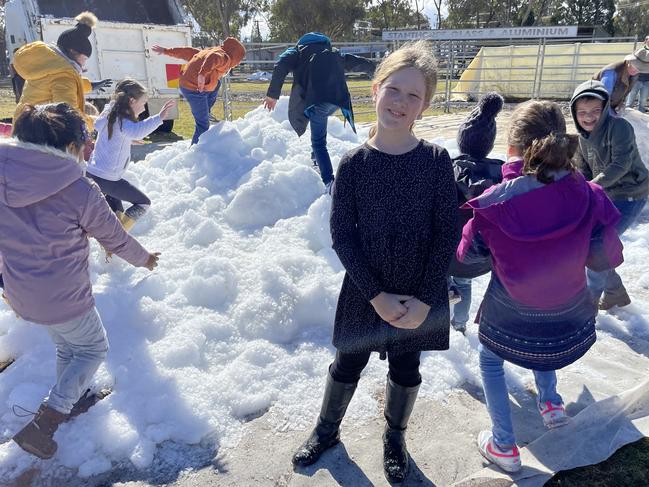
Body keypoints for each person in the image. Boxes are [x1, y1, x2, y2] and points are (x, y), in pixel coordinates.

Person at [291, 41, 458, 483]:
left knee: (407, 368)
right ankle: (327, 429)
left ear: (424, 106)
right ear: (375, 90)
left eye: (413, 96)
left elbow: (447, 232)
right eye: (394, 90)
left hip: (420, 290)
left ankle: (395, 436)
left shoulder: (438, 162)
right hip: (367, 289)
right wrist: (377, 296)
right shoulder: (353, 165)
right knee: (348, 362)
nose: (401, 103)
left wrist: (425, 298)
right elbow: (343, 236)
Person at [457, 100, 623, 473]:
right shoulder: (589, 193)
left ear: (512, 148)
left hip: (511, 321)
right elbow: (608, 254)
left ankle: (504, 445)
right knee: (543, 325)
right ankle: (551, 405)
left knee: (490, 358)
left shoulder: (493, 203)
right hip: (569, 326)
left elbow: (466, 258)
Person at [0, 103, 160, 459]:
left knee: (68, 347)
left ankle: (76, 394)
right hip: (64, 296)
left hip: (21, 292)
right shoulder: (79, 189)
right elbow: (114, 237)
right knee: (92, 348)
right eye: (83, 144)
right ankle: (49, 419)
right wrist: (144, 259)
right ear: (70, 148)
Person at [263, 33, 376, 194]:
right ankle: (315, 157)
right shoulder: (334, 53)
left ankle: (329, 182)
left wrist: (273, 94)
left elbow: (281, 65)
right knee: (314, 119)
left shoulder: (297, 51)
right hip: (338, 101)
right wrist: (381, 75)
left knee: (318, 142)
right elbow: (361, 63)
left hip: (318, 102)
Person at [570, 80, 648, 310]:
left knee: (598, 246)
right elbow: (583, 170)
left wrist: (592, 186)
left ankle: (589, 303)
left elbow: (621, 163)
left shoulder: (620, 127)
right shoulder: (581, 138)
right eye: (582, 112)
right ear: (575, 113)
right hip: (605, 193)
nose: (589, 117)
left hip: (630, 193)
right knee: (594, 243)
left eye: (595, 111)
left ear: (605, 110)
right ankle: (615, 293)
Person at [447, 92, 505, 334]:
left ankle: (438, 314)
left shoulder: (448, 169)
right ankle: (459, 324)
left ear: (462, 140)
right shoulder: (502, 174)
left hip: (450, 252)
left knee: (447, 278)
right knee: (465, 282)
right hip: (481, 257)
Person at [87, 79, 175, 232]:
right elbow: (138, 130)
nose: (143, 108)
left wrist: (127, 140)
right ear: (131, 101)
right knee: (143, 203)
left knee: (117, 216)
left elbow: (110, 133)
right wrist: (159, 117)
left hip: (94, 174)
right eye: (142, 103)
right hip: (108, 178)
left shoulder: (110, 115)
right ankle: (116, 239)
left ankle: (111, 245)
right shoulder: (123, 120)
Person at [11, 12, 111, 130]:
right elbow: (70, 115)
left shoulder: (48, 63)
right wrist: (97, 122)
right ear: (73, 52)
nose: (84, 64)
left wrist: (89, 85)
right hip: (38, 134)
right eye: (84, 59)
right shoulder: (64, 75)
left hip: (23, 123)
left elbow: (51, 84)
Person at [151, 38, 246, 145]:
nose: (237, 64)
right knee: (203, 125)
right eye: (239, 60)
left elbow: (187, 52)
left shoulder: (208, 51)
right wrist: (202, 74)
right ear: (234, 55)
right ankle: (195, 151)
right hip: (194, 88)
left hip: (189, 83)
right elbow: (214, 58)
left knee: (217, 84)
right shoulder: (225, 58)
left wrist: (166, 51)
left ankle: (206, 111)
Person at [625, 38, 649, 113]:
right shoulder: (640, 52)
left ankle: (639, 119)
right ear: (645, 41)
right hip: (636, 80)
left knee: (642, 102)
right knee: (630, 100)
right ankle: (626, 117)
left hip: (647, 81)